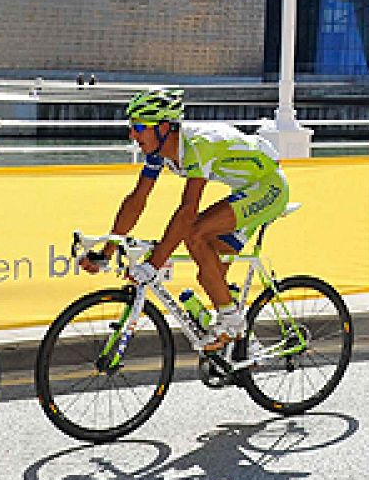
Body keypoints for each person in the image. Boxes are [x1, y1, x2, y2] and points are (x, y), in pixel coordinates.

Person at [79, 88, 289, 351]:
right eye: (132, 126)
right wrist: (107, 251)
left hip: (268, 187)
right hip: (245, 190)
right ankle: (242, 341)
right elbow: (137, 200)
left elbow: (188, 210)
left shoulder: (198, 146)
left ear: (164, 127)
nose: (132, 134)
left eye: (140, 126)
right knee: (210, 274)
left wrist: (154, 264)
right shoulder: (158, 152)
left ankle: (233, 324)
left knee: (195, 233)